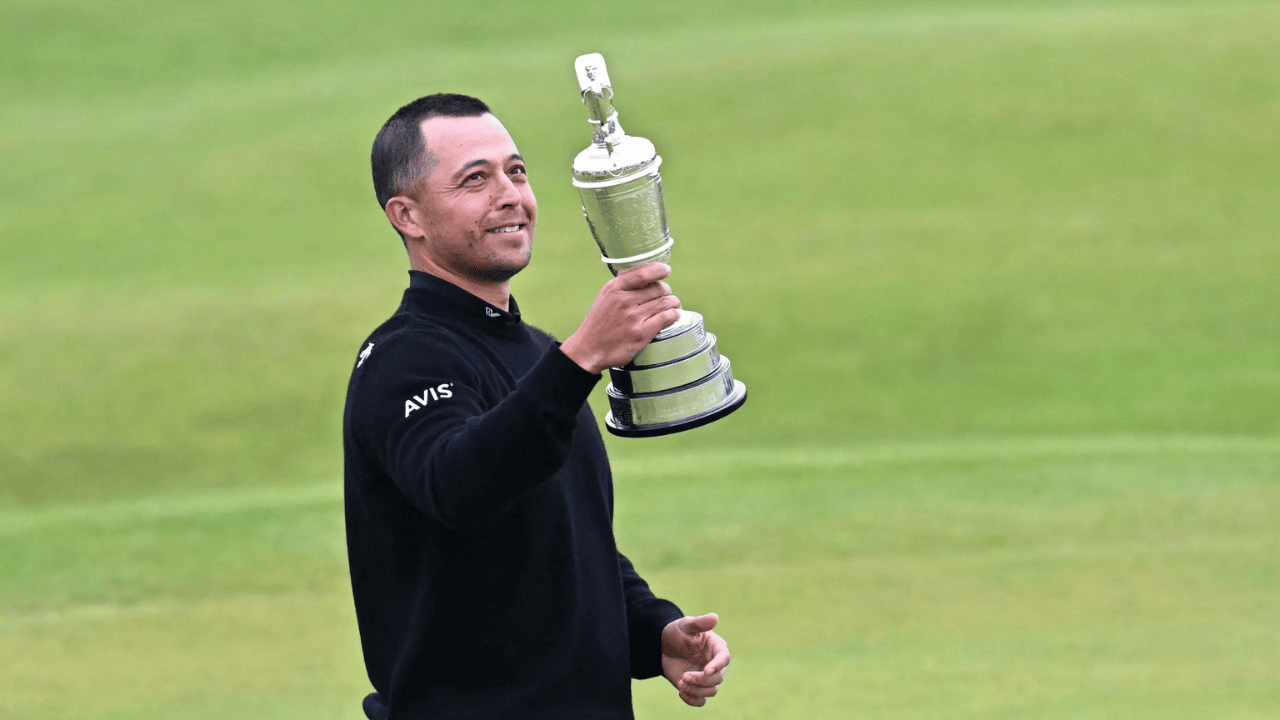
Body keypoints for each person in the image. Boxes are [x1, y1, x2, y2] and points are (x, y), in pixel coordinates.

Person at [342, 93, 731, 719]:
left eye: (515, 171)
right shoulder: (401, 360)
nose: (509, 195)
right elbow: (460, 486)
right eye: (475, 179)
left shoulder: (538, 355)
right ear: (407, 215)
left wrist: (652, 631)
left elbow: (565, 537)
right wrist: (579, 361)